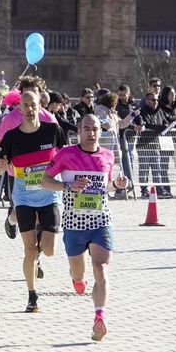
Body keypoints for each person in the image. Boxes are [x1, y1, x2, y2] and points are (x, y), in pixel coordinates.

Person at [43, 112, 128, 340]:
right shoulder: (66, 154)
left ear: (101, 132)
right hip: (74, 224)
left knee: (101, 269)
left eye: (95, 129)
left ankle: (99, 317)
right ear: (78, 131)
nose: (91, 134)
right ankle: (77, 279)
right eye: (86, 129)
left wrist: (117, 185)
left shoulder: (108, 156)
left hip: (101, 221)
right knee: (79, 275)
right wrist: (69, 185)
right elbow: (45, 181)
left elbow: (106, 186)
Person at [0, 87, 66, 314]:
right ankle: (32, 296)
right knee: (30, 250)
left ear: (39, 106)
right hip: (23, 196)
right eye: (25, 105)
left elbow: (67, 156)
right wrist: (0, 167)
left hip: (49, 194)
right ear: (19, 109)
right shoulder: (12, 137)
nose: (29, 109)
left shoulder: (52, 130)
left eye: (33, 105)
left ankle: (16, 221)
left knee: (49, 249)